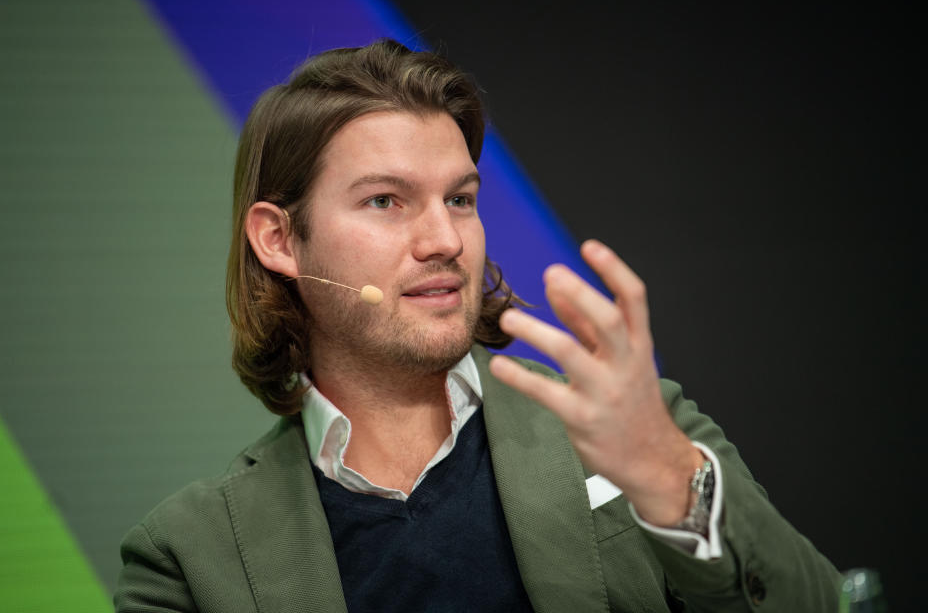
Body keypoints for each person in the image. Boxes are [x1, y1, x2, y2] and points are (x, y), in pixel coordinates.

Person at [115, 39, 839, 612]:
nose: (445, 240)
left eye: (460, 199)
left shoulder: (636, 431)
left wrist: (667, 476)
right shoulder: (186, 557)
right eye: (385, 202)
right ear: (279, 240)